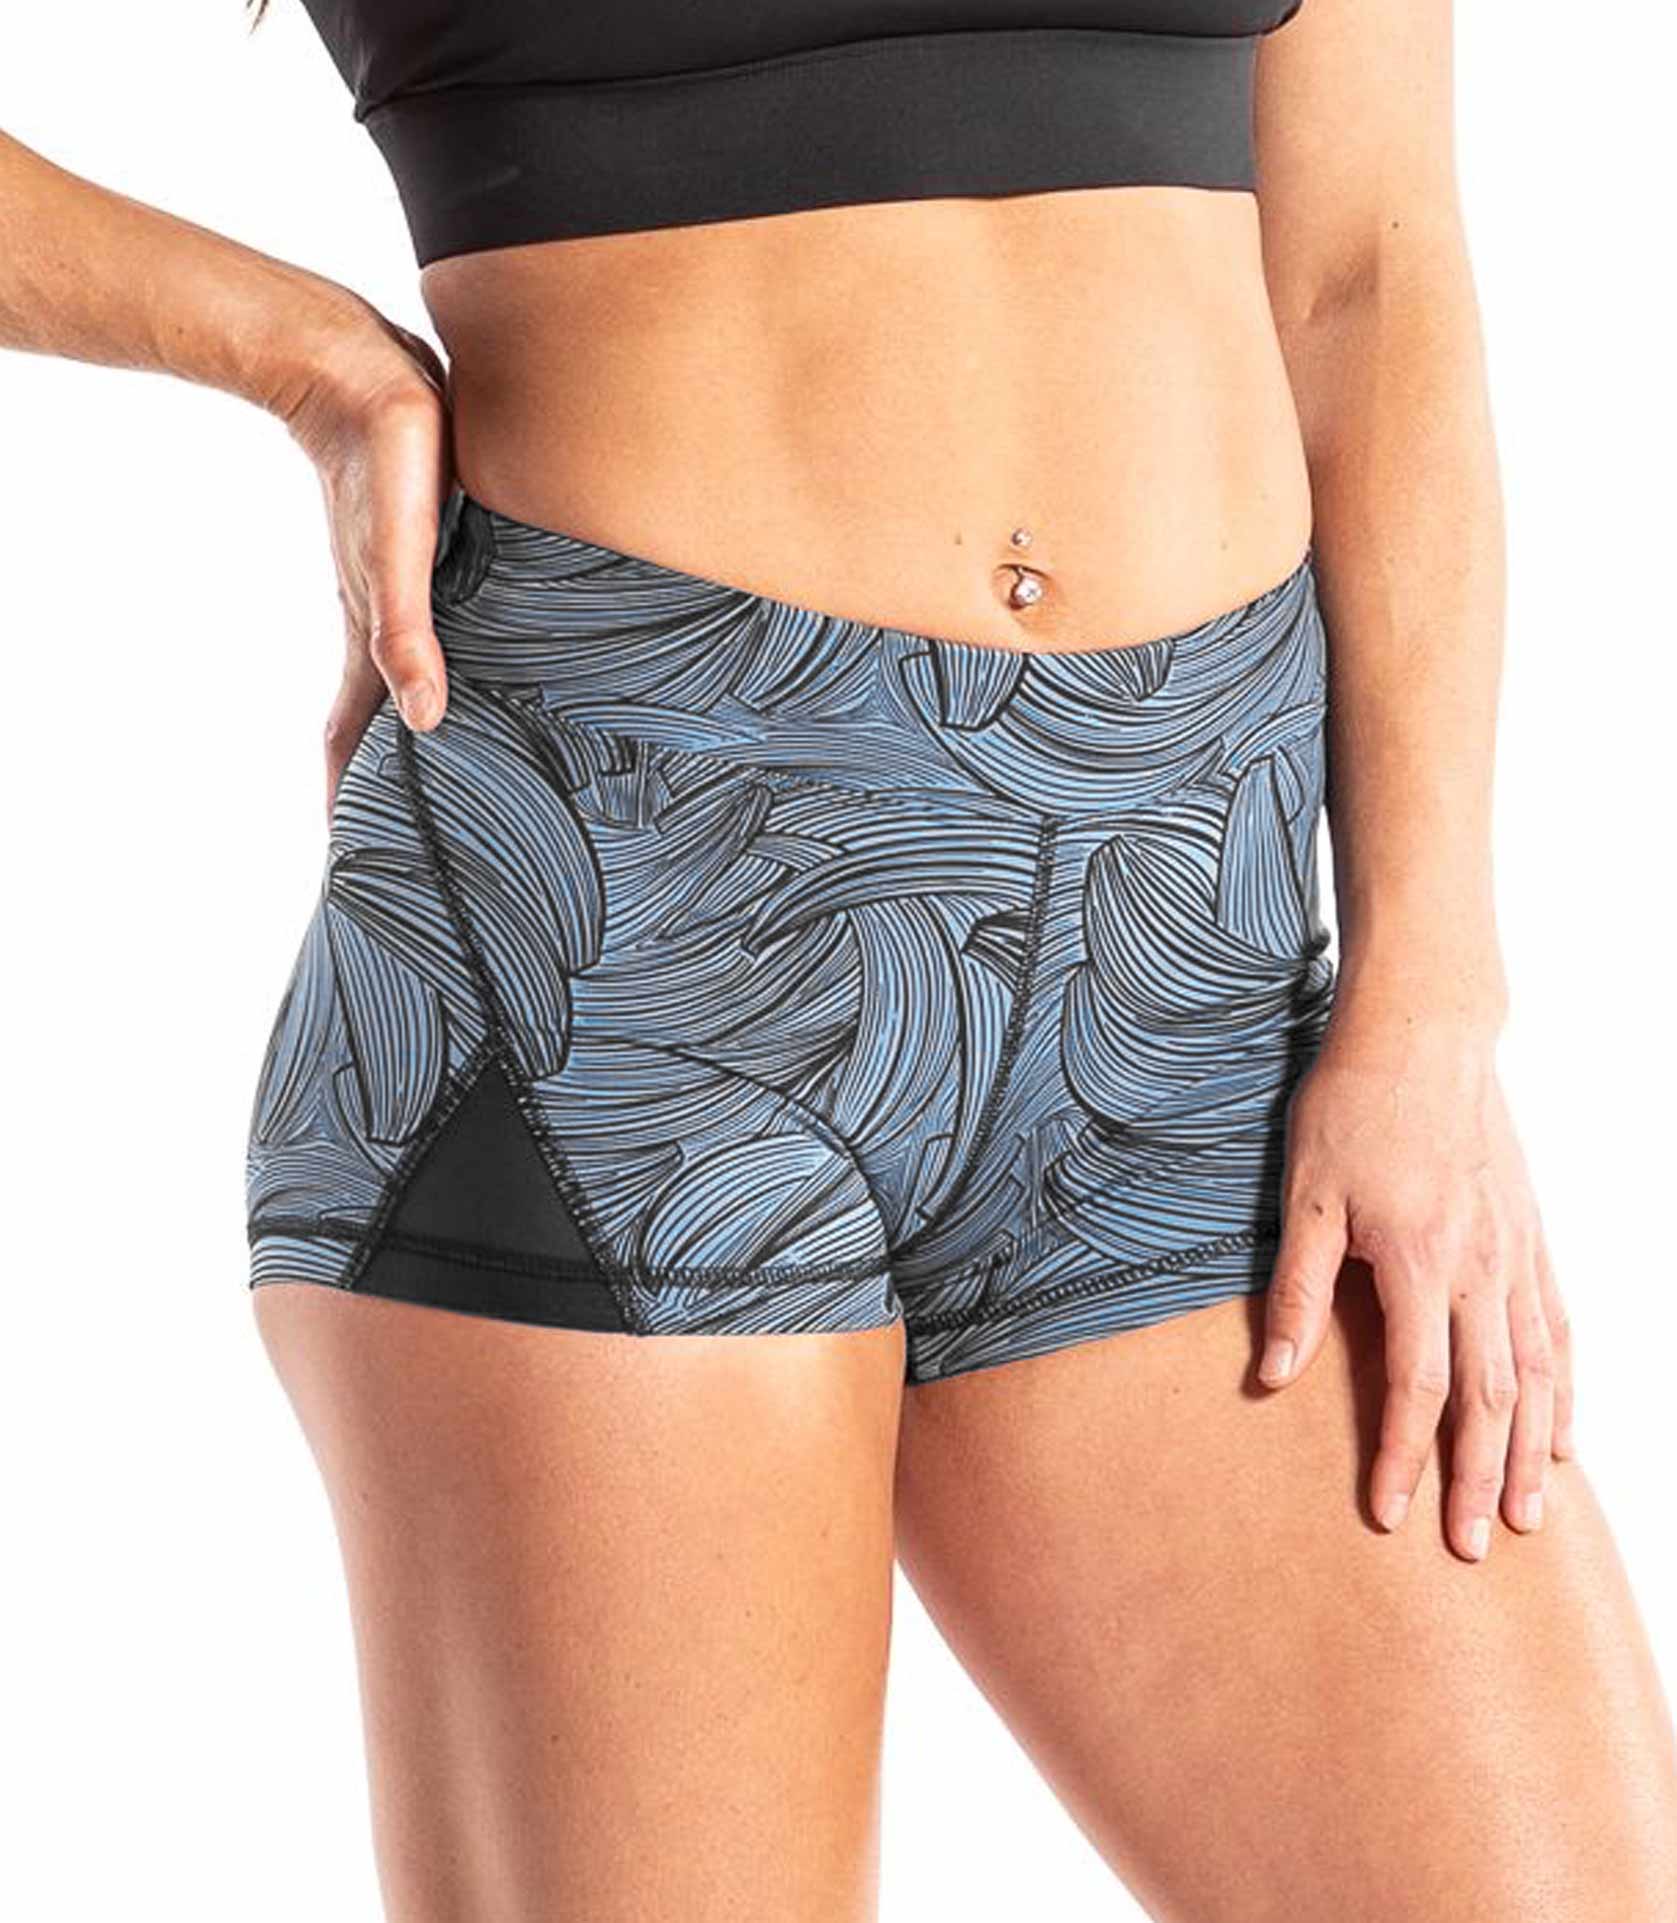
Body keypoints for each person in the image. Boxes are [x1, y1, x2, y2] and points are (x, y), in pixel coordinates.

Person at [4, 0, 1674, 1916]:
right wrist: (301, 356)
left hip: (1193, 999)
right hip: (618, 958)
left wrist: (1428, 1004)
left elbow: (1364, 278)